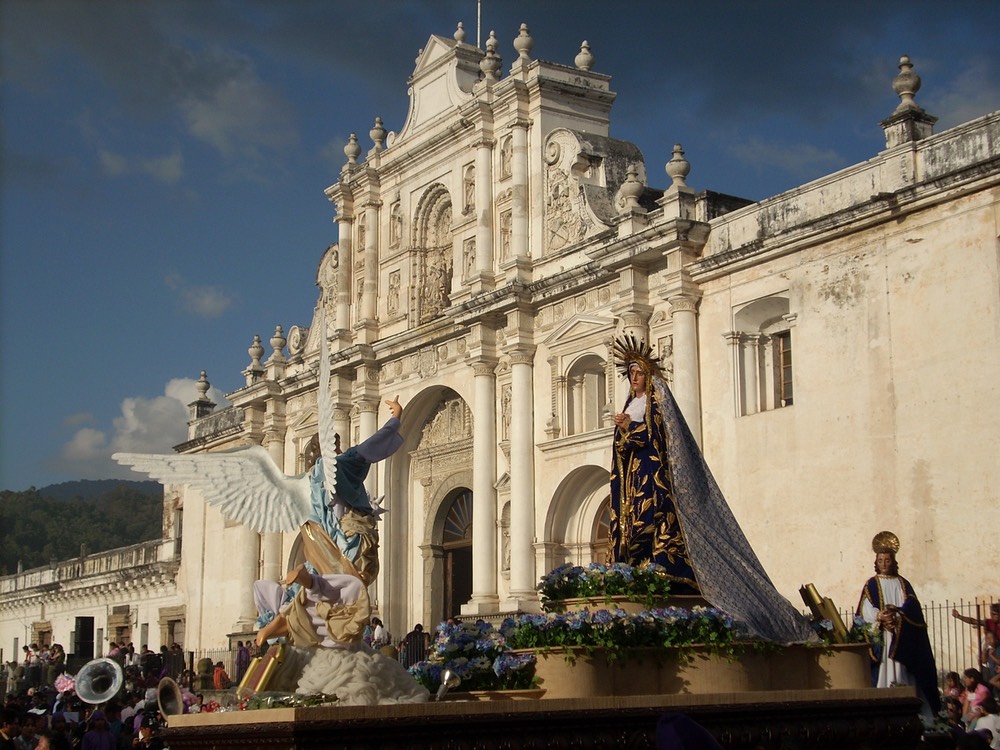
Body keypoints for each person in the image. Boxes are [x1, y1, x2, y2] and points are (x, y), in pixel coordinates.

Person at [608, 335, 812, 643]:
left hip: (654, 476)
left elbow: (658, 436)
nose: (633, 378)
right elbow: (625, 444)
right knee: (632, 527)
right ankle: (637, 571)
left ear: (648, 374)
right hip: (634, 478)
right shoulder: (630, 404)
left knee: (652, 522)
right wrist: (623, 432)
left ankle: (663, 570)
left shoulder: (657, 399)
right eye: (630, 373)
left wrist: (628, 429)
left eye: (637, 372)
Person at [857, 531, 940, 716]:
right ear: (876, 562)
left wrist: (898, 617)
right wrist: (880, 617)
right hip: (882, 637)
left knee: (902, 671)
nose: (884, 564)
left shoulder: (903, 583)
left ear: (893, 562)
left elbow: (913, 608)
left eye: (887, 560)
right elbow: (864, 610)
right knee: (883, 670)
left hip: (900, 636)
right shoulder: (871, 584)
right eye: (880, 560)